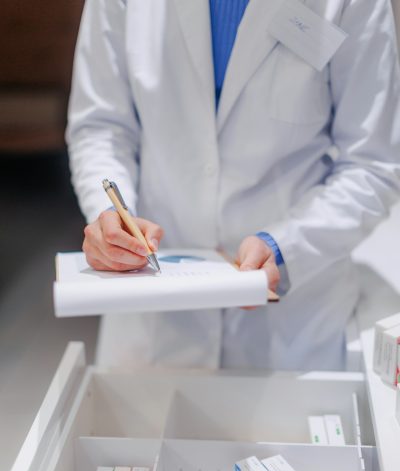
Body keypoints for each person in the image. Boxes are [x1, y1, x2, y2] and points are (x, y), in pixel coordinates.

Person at [67, 0, 400, 371]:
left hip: (293, 324)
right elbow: (101, 126)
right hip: (156, 316)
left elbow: (373, 164)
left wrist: (286, 247)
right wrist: (113, 214)